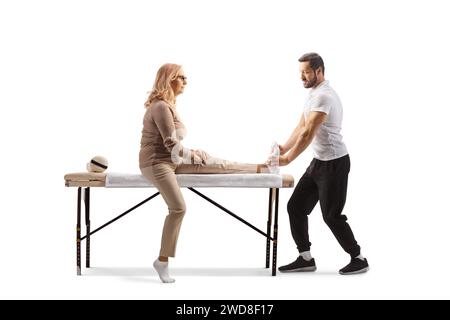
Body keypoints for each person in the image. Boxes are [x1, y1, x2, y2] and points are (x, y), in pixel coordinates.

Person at [139, 63, 269, 283]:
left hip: (173, 159)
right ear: (169, 79)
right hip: (155, 163)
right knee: (178, 208)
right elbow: (170, 143)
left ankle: (262, 168)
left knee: (215, 163)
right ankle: (162, 261)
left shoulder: (170, 105)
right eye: (182, 77)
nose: (185, 81)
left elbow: (175, 146)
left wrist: (194, 153)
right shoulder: (160, 106)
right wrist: (191, 155)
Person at [274, 53, 369, 275]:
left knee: (331, 216)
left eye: (306, 72)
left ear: (319, 71)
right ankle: (305, 258)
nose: (302, 77)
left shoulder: (324, 96)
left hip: (335, 164)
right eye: (300, 73)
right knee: (296, 207)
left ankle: (358, 258)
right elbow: (301, 125)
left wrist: (288, 160)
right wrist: (284, 148)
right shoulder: (313, 93)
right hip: (318, 163)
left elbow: (308, 133)